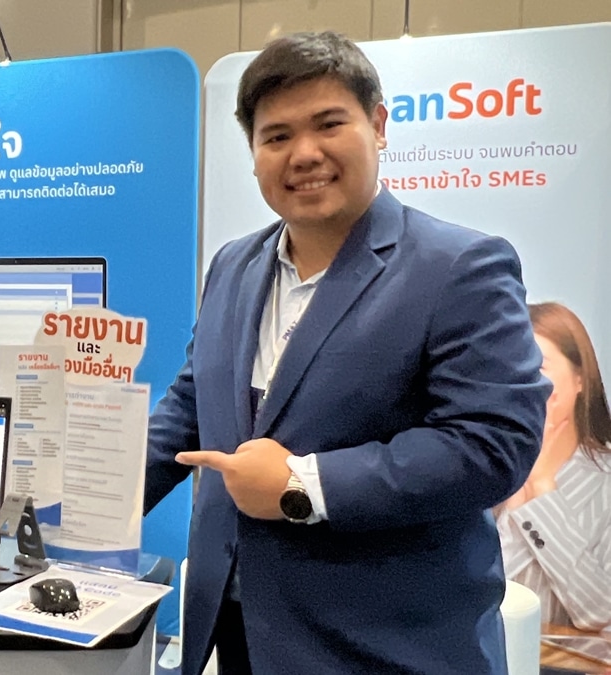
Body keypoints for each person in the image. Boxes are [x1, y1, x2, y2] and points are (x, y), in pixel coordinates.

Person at [143, 31, 550, 675]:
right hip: (237, 625)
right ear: (253, 153)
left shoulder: (460, 266)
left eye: (328, 124)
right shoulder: (233, 265)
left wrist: (301, 486)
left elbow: (492, 444)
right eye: (277, 136)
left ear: (378, 126)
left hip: (383, 645)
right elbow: (194, 404)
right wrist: (84, 494)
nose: (304, 153)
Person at [498, 302, 611, 630]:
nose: (522, 384)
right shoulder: (488, 465)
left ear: (580, 378)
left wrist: (543, 490)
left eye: (538, 366)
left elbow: (601, 611)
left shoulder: (604, 482)